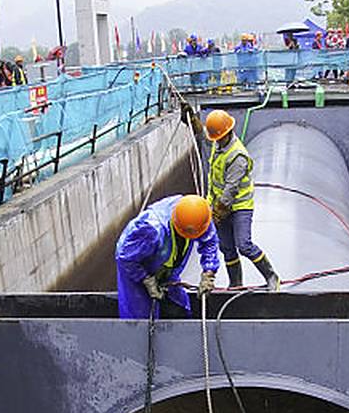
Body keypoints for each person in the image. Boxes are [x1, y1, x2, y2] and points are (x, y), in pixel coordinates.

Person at [203, 109, 281, 292]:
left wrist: (216, 213)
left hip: (239, 206)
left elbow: (230, 189)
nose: (216, 141)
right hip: (219, 204)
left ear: (227, 133)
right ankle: (236, 284)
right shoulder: (218, 144)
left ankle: (271, 276)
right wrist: (193, 123)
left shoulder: (237, 157)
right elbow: (205, 141)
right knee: (227, 248)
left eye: (218, 137)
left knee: (244, 245)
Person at [113, 194, 222, 320]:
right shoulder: (151, 229)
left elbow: (209, 241)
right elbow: (125, 258)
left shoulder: (199, 216)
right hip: (137, 269)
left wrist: (209, 272)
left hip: (167, 268)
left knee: (179, 307)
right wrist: (146, 279)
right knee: (141, 318)